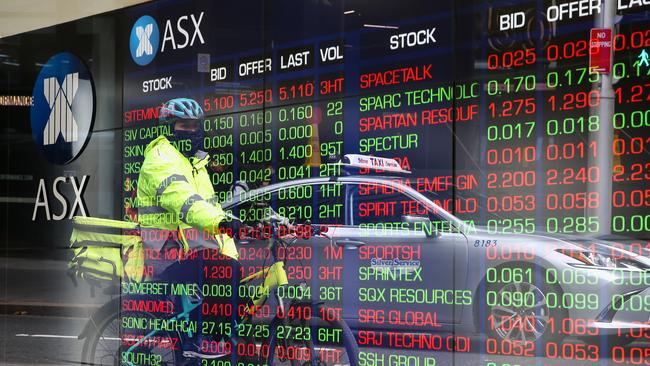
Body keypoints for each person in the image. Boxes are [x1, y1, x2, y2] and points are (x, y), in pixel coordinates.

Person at [136, 97, 239, 359]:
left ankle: (200, 339)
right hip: (164, 255)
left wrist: (231, 226)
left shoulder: (195, 163)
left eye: (194, 126)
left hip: (187, 252)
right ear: (170, 127)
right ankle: (200, 339)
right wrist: (219, 223)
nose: (190, 132)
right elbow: (184, 201)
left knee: (233, 277)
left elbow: (210, 206)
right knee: (223, 271)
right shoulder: (160, 158)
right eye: (184, 125)